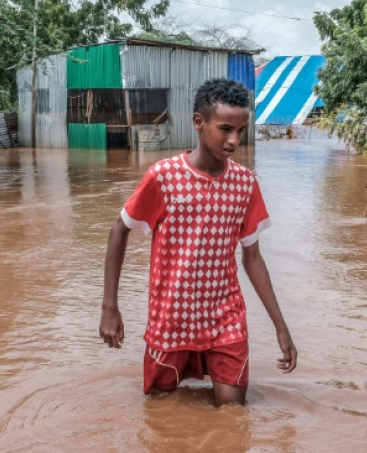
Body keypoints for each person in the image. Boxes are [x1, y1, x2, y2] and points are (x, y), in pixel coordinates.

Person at [99, 78, 297, 406]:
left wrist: (281, 326)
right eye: (225, 129)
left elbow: (253, 258)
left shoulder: (245, 184)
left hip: (225, 317)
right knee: (162, 411)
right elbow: (119, 230)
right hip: (171, 317)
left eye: (240, 130)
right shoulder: (164, 177)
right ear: (198, 122)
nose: (234, 140)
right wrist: (110, 307)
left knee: (232, 412)